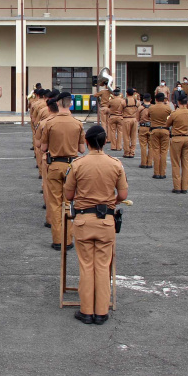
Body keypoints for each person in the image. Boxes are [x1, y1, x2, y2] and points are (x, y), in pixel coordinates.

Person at [63, 125, 128, 325]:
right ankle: (101, 311)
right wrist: (110, 202)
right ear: (105, 141)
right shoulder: (115, 164)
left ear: (87, 142)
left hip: (84, 220)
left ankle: (86, 310)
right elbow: (123, 195)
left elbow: (69, 195)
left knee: (86, 266)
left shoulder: (78, 164)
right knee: (102, 266)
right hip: (106, 220)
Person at [37, 92, 85, 250]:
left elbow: (43, 147)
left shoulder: (49, 123)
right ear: (70, 104)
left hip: (54, 165)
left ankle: (58, 240)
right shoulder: (78, 123)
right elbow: (82, 149)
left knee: (55, 203)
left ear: (57, 104)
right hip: (72, 166)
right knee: (69, 203)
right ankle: (68, 239)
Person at [166, 93, 188, 194]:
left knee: (176, 163)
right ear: (187, 102)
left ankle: (177, 186)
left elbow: (167, 124)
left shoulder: (175, 113)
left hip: (177, 138)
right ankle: (185, 186)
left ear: (178, 102)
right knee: (186, 164)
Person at [148, 93, 172, 179]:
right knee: (164, 152)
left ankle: (156, 172)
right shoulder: (168, 108)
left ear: (156, 99)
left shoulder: (151, 108)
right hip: (165, 130)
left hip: (154, 129)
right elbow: (171, 118)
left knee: (156, 151)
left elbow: (148, 116)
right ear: (164, 99)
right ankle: (163, 172)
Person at [119, 88, 139, 158]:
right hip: (134, 119)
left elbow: (119, 110)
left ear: (127, 93)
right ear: (133, 93)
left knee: (126, 136)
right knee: (134, 137)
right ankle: (132, 152)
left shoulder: (124, 101)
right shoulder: (137, 102)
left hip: (126, 119)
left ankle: (127, 152)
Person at [137, 96, 153, 169]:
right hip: (151, 127)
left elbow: (137, 118)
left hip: (143, 127)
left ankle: (143, 162)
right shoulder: (153, 108)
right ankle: (149, 162)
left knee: (143, 146)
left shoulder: (140, 108)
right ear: (151, 99)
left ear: (143, 100)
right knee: (151, 146)